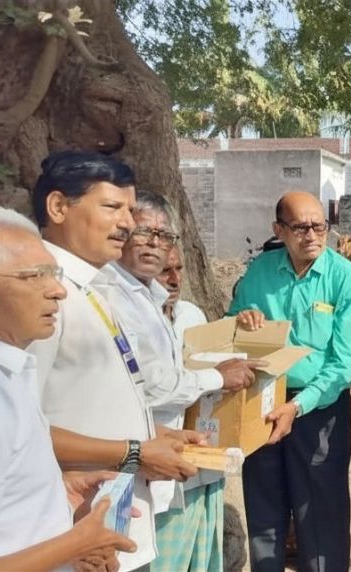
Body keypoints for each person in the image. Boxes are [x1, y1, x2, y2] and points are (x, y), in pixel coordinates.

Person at [27, 150, 200, 571]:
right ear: (58, 207)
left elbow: (88, 400)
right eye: (112, 207)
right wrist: (136, 452)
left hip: (113, 524)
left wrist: (153, 434)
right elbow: (20, 429)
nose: (127, 223)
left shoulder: (94, 287)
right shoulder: (41, 294)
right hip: (70, 530)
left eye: (129, 209)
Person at [111, 190, 262, 571]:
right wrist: (214, 377)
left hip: (194, 459)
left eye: (165, 238)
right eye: (145, 234)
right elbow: (150, 385)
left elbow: (224, 358)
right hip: (140, 464)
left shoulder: (189, 314)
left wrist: (242, 327)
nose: (173, 279)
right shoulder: (113, 299)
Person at [0, 206, 138, 571]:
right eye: (35, 276)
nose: (58, 291)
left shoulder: (12, 372)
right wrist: (77, 543)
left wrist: (56, 493)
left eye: (54, 274)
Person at [229, 191, 351, 572]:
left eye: (319, 226)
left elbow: (346, 361)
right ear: (279, 230)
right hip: (262, 402)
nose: (312, 235)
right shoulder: (260, 272)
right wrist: (241, 321)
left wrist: (298, 405)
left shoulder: (346, 278)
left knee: (321, 514)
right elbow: (230, 328)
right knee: (264, 510)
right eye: (301, 227)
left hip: (319, 409)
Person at [158, 247, 209, 341]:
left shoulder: (192, 314)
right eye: (165, 270)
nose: (175, 280)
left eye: (178, 269)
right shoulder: (138, 321)